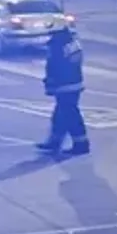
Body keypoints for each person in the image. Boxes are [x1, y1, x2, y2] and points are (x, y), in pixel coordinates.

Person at [37, 26, 88, 156]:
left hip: (64, 86)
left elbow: (54, 66)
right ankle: (55, 141)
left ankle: (81, 144)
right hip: (75, 83)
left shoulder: (57, 45)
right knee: (61, 114)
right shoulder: (72, 42)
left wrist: (50, 84)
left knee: (70, 115)